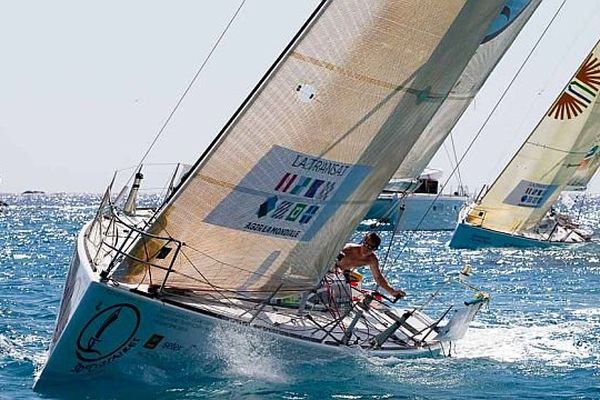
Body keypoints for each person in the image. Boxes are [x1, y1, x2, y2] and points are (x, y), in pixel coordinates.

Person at [334, 232, 406, 299]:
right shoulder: (348, 249)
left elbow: (378, 278)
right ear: (363, 242)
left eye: (371, 247)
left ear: (375, 249)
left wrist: (392, 291)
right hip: (330, 270)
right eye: (365, 244)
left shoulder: (372, 260)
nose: (366, 249)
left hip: (342, 273)